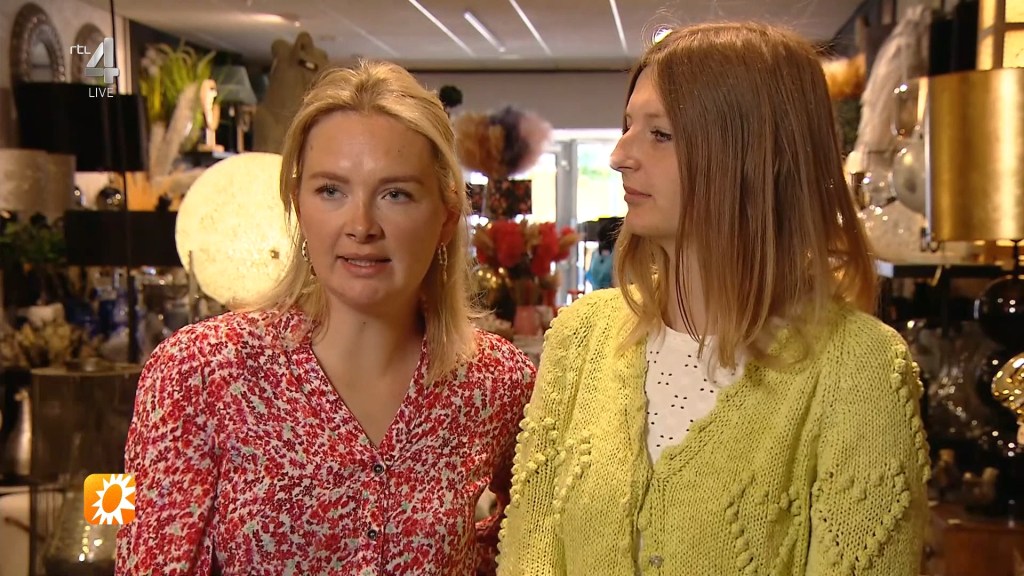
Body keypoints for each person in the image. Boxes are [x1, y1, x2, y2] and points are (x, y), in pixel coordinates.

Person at [496, 22, 929, 576]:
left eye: (660, 134)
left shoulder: (860, 369)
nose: (619, 155)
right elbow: (530, 551)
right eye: (628, 126)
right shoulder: (581, 336)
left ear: (753, 157)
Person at [116, 60, 536, 575]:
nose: (361, 226)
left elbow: (530, 546)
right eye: (331, 191)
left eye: (396, 194)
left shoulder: (499, 382)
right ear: (298, 204)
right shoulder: (200, 371)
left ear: (446, 216)